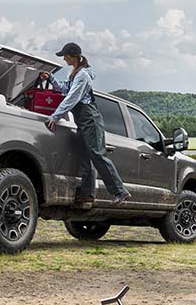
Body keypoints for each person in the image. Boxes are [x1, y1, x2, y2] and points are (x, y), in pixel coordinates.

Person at [41, 42, 131, 208]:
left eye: (65, 55)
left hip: (91, 120)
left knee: (97, 155)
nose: (64, 58)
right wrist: (51, 79)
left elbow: (72, 98)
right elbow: (64, 89)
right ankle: (87, 194)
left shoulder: (83, 75)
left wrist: (55, 117)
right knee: (85, 157)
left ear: (73, 55)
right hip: (82, 121)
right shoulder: (73, 73)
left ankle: (120, 191)